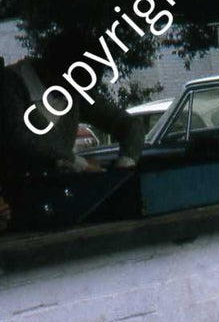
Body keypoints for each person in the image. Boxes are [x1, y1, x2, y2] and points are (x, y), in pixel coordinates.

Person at [0, 41, 142, 207]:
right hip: (13, 205)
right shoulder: (9, 87)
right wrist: (77, 164)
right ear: (53, 71)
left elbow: (129, 125)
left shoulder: (74, 91)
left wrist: (125, 163)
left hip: (62, 202)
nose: (73, 95)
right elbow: (19, 140)